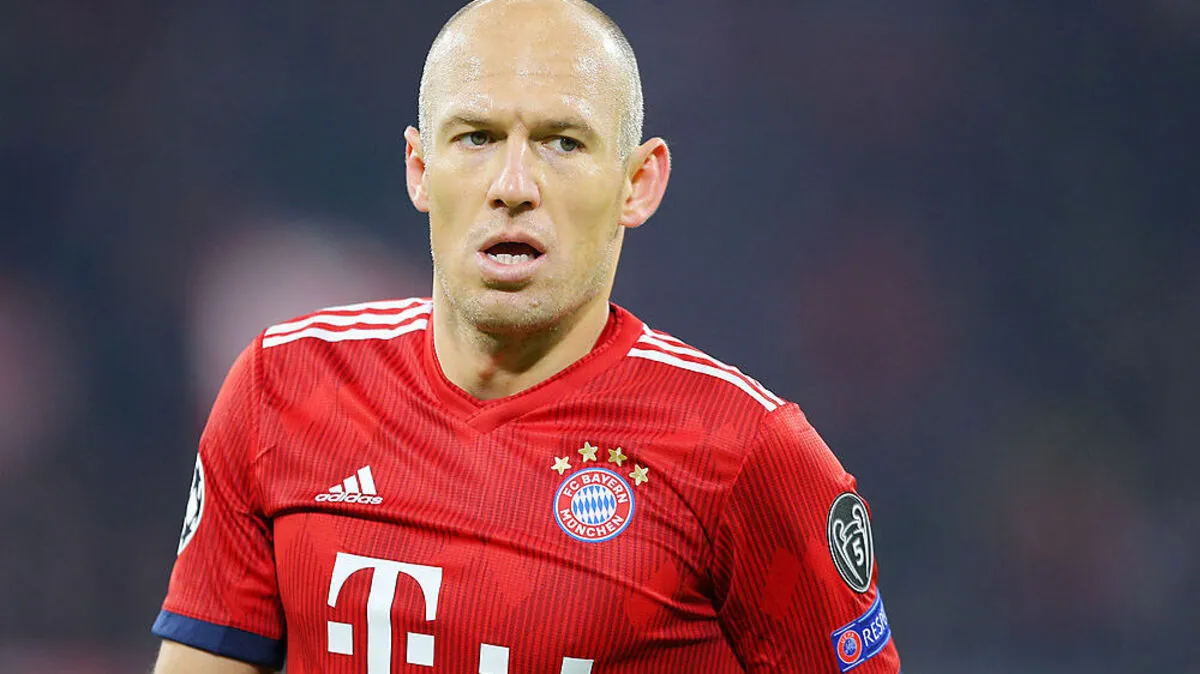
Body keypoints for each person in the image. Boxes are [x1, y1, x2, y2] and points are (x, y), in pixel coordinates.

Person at [151, 0, 902, 671]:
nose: (513, 185)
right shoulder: (285, 389)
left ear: (638, 182)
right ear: (419, 168)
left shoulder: (746, 453)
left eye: (563, 142)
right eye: (476, 137)